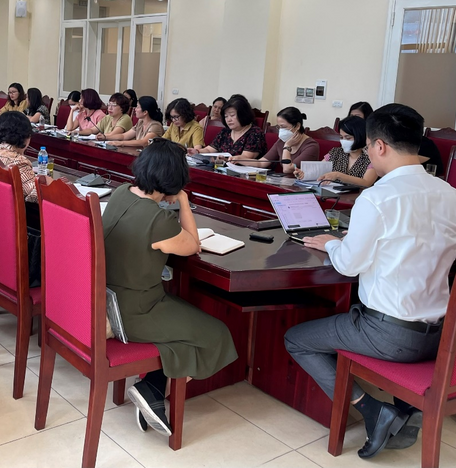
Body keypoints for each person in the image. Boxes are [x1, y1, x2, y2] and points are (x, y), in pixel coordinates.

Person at [284, 104, 456, 459]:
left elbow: (349, 266)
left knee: (297, 339)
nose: (367, 152)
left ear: (379, 146)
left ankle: (372, 409)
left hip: (391, 336)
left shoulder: (377, 198)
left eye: (367, 146)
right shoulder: (453, 196)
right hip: (441, 336)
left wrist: (333, 243)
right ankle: (407, 408)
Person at [103, 138, 237, 435]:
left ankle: (151, 390)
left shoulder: (120, 193)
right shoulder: (159, 219)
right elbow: (192, 245)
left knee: (182, 331)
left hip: (108, 299)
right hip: (135, 312)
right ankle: (152, 391)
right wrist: (185, 202)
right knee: (216, 333)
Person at [0, 111, 49, 202]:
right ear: (25, 137)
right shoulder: (19, 162)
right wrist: (46, 182)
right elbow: (36, 196)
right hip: (6, 210)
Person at [294, 115, 378, 187]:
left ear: (360, 136)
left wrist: (338, 175)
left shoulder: (371, 157)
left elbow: (366, 183)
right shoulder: (335, 152)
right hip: (333, 194)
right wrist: (304, 174)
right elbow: (318, 170)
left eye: (348, 138)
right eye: (341, 137)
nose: (343, 141)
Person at [194, 94, 266, 161]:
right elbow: (209, 150)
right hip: (222, 167)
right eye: (226, 116)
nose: (228, 120)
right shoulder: (225, 131)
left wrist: (226, 160)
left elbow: (245, 158)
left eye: (232, 115)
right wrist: (197, 151)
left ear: (243, 114)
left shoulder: (255, 133)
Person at [259, 107, 319, 175]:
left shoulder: (311, 146)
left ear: (297, 126)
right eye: (279, 127)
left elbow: (287, 169)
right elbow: (262, 163)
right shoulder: (281, 141)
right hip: (284, 180)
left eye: (283, 127)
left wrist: (287, 146)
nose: (280, 130)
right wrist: (247, 161)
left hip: (299, 181)